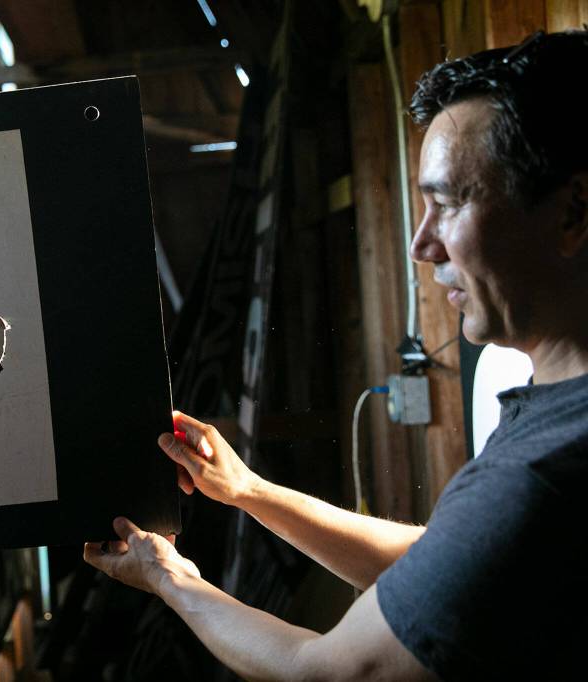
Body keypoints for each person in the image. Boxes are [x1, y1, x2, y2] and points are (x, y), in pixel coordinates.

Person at [84, 29, 588, 681]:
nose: (422, 245)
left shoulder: (545, 473)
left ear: (574, 210)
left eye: (449, 202)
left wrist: (169, 578)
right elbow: (441, 561)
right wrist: (250, 492)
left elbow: (328, 671)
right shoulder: (554, 419)